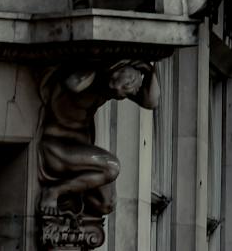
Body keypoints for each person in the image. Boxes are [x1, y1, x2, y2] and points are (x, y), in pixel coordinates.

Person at [38, 61, 160, 216]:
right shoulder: (89, 77)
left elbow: (151, 102)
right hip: (55, 147)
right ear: (116, 75)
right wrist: (103, 61)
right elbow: (73, 84)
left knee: (106, 203)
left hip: (78, 150)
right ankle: (54, 191)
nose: (131, 94)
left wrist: (151, 70)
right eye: (130, 86)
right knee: (111, 167)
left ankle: (70, 195)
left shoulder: (108, 90)